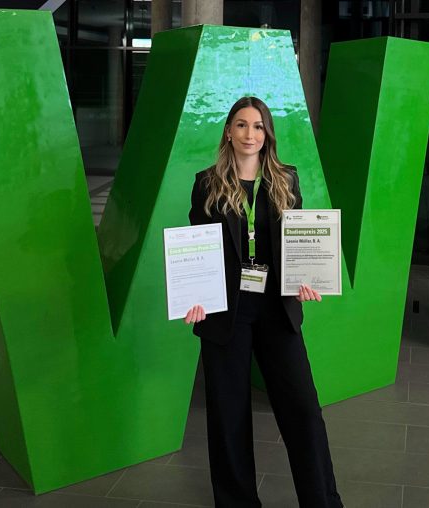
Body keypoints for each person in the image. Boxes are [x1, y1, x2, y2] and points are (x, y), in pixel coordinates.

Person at [184, 96, 344, 508]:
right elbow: (198, 250)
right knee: (228, 416)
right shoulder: (207, 182)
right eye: (241, 125)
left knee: (304, 411)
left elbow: (299, 243)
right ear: (228, 131)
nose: (249, 134)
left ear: (267, 133)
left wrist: (306, 280)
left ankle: (322, 502)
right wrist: (195, 296)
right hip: (225, 312)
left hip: (277, 309)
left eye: (257, 126)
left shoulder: (285, 180)